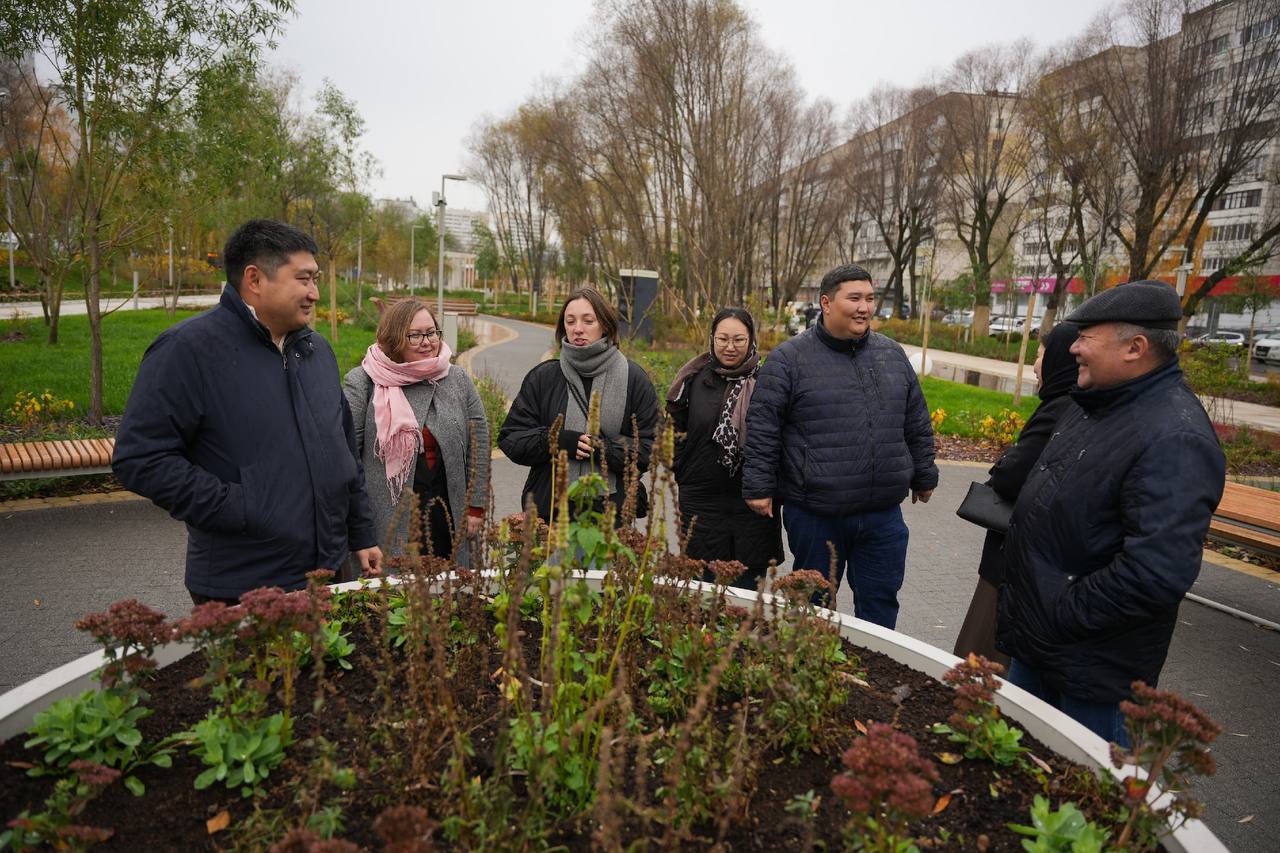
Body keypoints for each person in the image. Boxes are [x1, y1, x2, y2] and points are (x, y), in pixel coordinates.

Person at [996, 280, 1226, 746]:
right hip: (1041, 650)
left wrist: (1059, 612)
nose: (1073, 348)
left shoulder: (1175, 438)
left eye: (1086, 338)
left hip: (1091, 678)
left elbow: (1154, 574)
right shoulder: (1094, 403)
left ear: (1135, 348)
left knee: (1082, 807)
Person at [113, 219, 381, 605]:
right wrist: (242, 508)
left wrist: (361, 533)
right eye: (304, 279)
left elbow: (341, 452)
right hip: (245, 584)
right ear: (254, 279)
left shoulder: (316, 351)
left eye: (316, 279)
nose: (315, 293)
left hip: (329, 572)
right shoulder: (187, 351)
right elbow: (140, 458)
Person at [742, 264, 938, 629]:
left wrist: (924, 474)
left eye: (869, 298)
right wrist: (758, 486)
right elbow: (764, 426)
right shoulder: (789, 360)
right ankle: (808, 676)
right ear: (827, 303)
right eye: (855, 298)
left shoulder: (892, 355)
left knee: (879, 608)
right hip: (816, 515)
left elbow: (916, 420)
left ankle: (872, 681)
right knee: (811, 609)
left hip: (882, 517)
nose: (864, 307)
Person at [952, 323, 1080, 666]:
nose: (1036, 363)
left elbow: (1012, 475)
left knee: (982, 658)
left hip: (1012, 558)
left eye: (1040, 354)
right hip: (1036, 558)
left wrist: (1002, 467)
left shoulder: (1059, 407)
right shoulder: (1076, 406)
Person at [343, 298, 490, 564]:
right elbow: (346, 458)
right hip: (387, 521)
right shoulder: (364, 382)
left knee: (450, 596)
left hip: (448, 514)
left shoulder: (456, 378)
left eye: (432, 332)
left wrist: (476, 506)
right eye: (415, 335)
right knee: (394, 602)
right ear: (394, 338)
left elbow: (479, 441)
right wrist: (357, 526)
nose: (427, 341)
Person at [499, 286, 658, 523]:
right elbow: (511, 439)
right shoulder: (544, 377)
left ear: (605, 325)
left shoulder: (634, 379)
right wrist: (554, 440)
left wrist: (603, 451)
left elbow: (651, 449)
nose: (578, 329)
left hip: (610, 519)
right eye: (570, 321)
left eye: (588, 321)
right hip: (550, 514)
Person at [666, 307, 783, 589]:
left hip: (752, 503)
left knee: (747, 590)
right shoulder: (693, 380)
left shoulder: (768, 382)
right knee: (702, 589)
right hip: (702, 500)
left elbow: (778, 435)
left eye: (739, 340)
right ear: (712, 339)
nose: (730, 347)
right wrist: (683, 468)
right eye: (722, 339)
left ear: (752, 340)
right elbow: (673, 428)